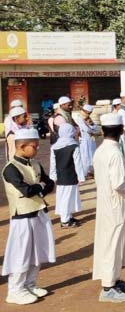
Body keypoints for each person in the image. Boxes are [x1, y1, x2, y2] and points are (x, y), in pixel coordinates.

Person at [2, 128, 55, 305]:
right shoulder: (10, 169)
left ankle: (30, 284)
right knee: (21, 254)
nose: (37, 149)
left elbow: (49, 183)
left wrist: (39, 187)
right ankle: (15, 290)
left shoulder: (35, 164)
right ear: (22, 146)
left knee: (36, 252)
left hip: (38, 212)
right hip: (22, 217)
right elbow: (26, 190)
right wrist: (39, 187)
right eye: (35, 146)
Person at [92, 114, 125, 302]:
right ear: (121, 130)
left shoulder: (100, 151)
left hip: (106, 201)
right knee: (113, 243)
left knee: (115, 241)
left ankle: (115, 279)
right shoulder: (114, 153)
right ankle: (108, 287)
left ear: (103, 131)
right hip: (116, 202)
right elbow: (119, 184)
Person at [49, 124, 85, 228]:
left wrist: (53, 176)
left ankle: (68, 216)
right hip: (70, 176)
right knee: (67, 198)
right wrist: (81, 177)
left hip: (61, 176)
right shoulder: (74, 146)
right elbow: (78, 163)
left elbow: (53, 163)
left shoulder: (55, 147)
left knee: (64, 197)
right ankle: (65, 221)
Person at [73, 103, 97, 178]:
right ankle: (83, 174)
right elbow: (85, 129)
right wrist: (92, 130)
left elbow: (95, 126)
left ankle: (90, 172)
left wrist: (92, 128)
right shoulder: (79, 117)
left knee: (91, 155)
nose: (90, 113)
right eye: (89, 112)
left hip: (90, 139)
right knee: (85, 156)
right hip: (84, 139)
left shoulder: (88, 118)